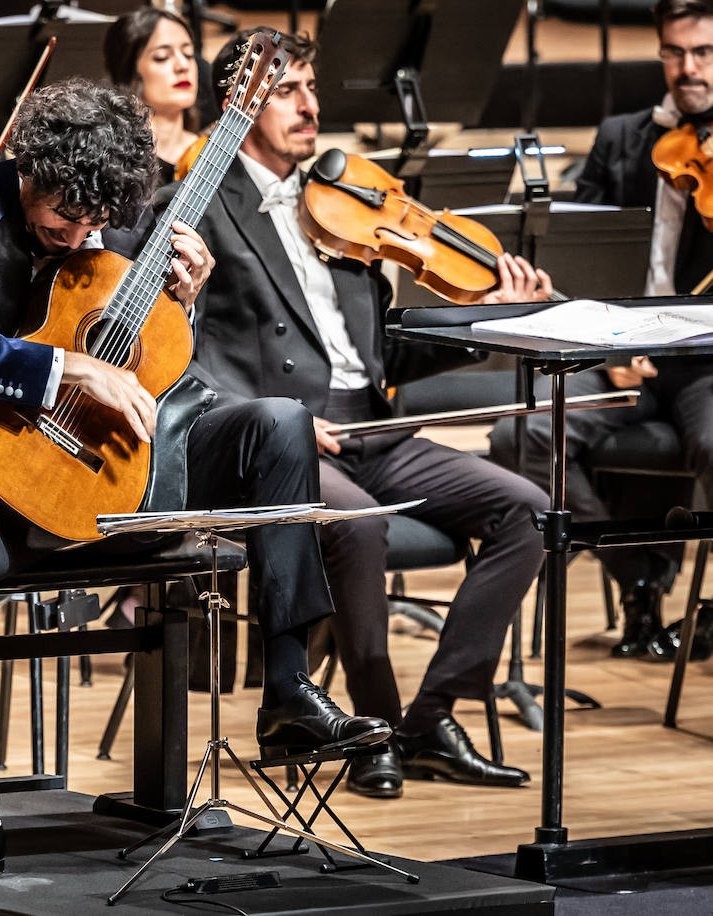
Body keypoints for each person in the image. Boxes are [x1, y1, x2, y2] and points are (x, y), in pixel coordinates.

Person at [0, 77, 390, 890]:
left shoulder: (109, 211)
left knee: (280, 421)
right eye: (66, 220)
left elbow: (163, 363)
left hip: (120, 467)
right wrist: (61, 367)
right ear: (31, 170)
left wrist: (185, 298)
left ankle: (286, 692)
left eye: (100, 222)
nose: (84, 237)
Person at [185, 30, 551, 798]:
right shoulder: (197, 207)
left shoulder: (343, 205)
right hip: (282, 439)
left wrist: (488, 317)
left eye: (312, 87)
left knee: (531, 511)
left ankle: (430, 718)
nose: (310, 104)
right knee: (360, 526)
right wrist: (269, 416)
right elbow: (176, 354)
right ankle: (373, 730)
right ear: (238, 101)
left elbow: (381, 351)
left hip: (373, 426)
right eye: (287, 89)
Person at [490, 0, 713, 659]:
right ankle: (642, 584)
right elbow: (575, 252)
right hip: (623, 352)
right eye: (673, 53)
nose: (687, 68)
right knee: (521, 439)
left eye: (703, 53)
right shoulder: (624, 136)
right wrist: (604, 345)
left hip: (703, 359)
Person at [103, 5, 207, 184]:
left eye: (188, 54)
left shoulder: (212, 151)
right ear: (130, 74)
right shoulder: (112, 161)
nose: (183, 65)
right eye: (162, 57)